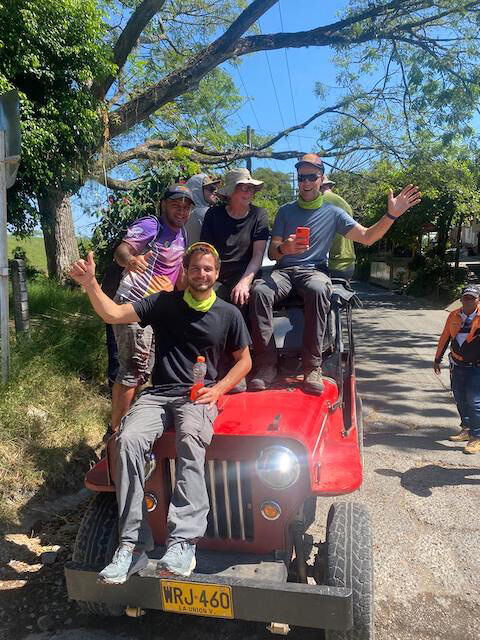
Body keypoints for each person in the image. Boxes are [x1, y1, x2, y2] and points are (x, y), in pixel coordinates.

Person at [68, 243, 252, 582]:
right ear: (185, 270)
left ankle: (183, 542)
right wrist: (91, 285)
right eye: (195, 268)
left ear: (217, 272)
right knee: (126, 440)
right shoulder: (164, 303)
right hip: (159, 394)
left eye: (208, 269)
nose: (201, 274)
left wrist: (220, 388)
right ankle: (132, 546)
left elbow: (245, 361)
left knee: (191, 439)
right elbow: (113, 315)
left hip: (197, 397)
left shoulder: (229, 314)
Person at [249, 153, 421, 394]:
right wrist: (284, 248)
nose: (306, 183)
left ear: (321, 179)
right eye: (301, 178)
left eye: (311, 177)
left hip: (314, 271)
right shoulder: (285, 211)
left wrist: (391, 215)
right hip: (285, 270)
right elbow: (273, 251)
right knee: (259, 291)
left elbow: (368, 237)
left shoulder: (334, 213)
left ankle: (312, 367)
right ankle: (266, 365)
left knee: (321, 289)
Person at [109, 184, 194, 436]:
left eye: (186, 207)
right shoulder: (151, 225)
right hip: (133, 305)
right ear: (163, 204)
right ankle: (115, 434)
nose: (181, 211)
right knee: (132, 369)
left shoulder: (183, 235)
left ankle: (135, 426)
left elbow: (176, 277)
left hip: (158, 310)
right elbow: (121, 251)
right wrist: (131, 260)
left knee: (148, 371)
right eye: (176, 205)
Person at [200, 168, 269, 307]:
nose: (249, 192)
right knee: (205, 299)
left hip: (247, 274)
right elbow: (206, 251)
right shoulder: (213, 215)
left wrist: (244, 283)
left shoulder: (259, 215)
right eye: (244, 188)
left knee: (248, 296)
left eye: (252, 188)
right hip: (218, 275)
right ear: (231, 191)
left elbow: (258, 254)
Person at [434, 285, 480, 454]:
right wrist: (437, 359)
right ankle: (467, 429)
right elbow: (445, 336)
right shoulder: (454, 315)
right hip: (457, 364)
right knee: (460, 398)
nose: (468, 301)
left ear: (478, 300)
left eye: (472, 298)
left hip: (476, 367)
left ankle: (477, 437)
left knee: (474, 401)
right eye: (466, 298)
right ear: (461, 299)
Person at [320, 175, 356, 281]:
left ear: (319, 186)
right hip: (348, 262)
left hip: (332, 263)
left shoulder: (322, 202)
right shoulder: (344, 203)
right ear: (330, 186)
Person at [184, 174, 222, 245]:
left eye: (216, 189)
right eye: (211, 189)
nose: (215, 192)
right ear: (197, 190)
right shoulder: (207, 213)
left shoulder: (183, 214)